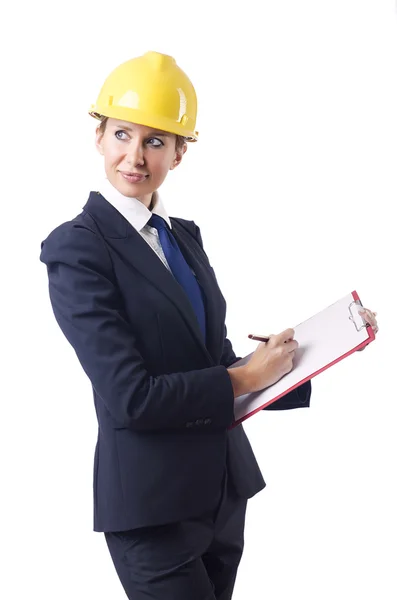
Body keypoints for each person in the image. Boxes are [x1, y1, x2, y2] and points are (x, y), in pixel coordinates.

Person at [39, 51, 379, 600]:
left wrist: (318, 349)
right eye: (122, 133)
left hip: (222, 492)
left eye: (155, 141)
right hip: (152, 509)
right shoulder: (77, 248)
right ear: (98, 136)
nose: (134, 155)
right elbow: (132, 398)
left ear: (180, 152)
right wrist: (244, 378)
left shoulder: (182, 237)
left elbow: (213, 360)